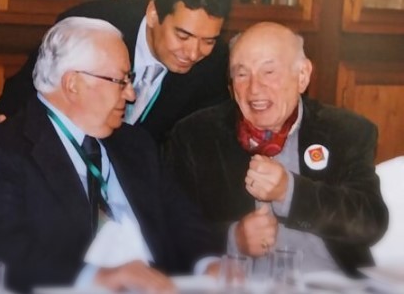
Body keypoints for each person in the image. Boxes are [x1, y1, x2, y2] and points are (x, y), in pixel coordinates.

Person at [0, 17, 217, 294]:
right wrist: (98, 277)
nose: (131, 95)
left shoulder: (136, 144)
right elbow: (3, 253)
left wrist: (209, 264)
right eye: (120, 81)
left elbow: (183, 219)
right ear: (73, 83)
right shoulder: (3, 150)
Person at [164, 21, 388, 275]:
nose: (254, 88)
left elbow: (370, 223)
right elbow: (169, 229)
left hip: (325, 282)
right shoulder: (195, 136)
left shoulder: (344, 131)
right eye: (242, 74)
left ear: (302, 76)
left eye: (268, 72)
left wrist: (289, 192)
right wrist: (232, 238)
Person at [0, 0, 233, 143]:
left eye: (208, 41)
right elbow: (28, 90)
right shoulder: (89, 27)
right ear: (153, 13)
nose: (193, 53)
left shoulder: (213, 65)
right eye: (183, 36)